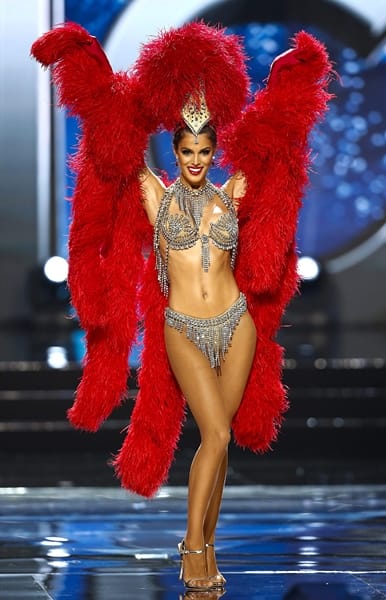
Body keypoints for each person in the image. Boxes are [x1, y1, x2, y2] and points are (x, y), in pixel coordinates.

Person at [31, 21, 332, 590]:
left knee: (219, 445)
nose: (195, 159)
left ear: (216, 150)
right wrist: (93, 67)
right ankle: (192, 546)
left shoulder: (232, 194)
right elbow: (115, 140)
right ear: (174, 148)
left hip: (236, 322)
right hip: (182, 328)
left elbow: (275, 153)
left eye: (204, 150)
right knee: (213, 435)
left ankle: (209, 545)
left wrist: (287, 83)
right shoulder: (154, 193)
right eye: (187, 149)